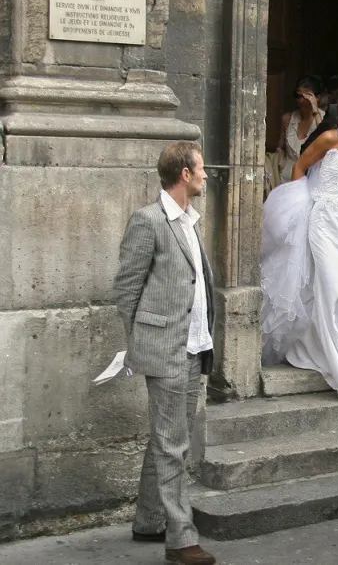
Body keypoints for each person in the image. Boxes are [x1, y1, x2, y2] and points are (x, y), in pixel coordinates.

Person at [113, 141, 216, 565]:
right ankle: (181, 539)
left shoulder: (190, 221)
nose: (207, 174)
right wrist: (141, 347)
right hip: (166, 349)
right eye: (201, 168)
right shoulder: (148, 221)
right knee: (174, 445)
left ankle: (149, 519)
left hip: (193, 346)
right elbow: (126, 291)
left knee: (171, 437)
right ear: (184, 174)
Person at [260, 78, 338, 400]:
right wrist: (304, 205)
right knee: (330, 290)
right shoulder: (329, 139)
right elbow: (299, 168)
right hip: (323, 223)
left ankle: (320, 346)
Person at [276, 75, 326, 183]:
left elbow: (325, 138)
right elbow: (280, 149)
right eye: (299, 96)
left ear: (317, 97)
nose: (302, 100)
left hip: (311, 180)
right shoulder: (288, 119)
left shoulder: (325, 119)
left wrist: (315, 109)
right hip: (286, 180)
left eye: (307, 96)